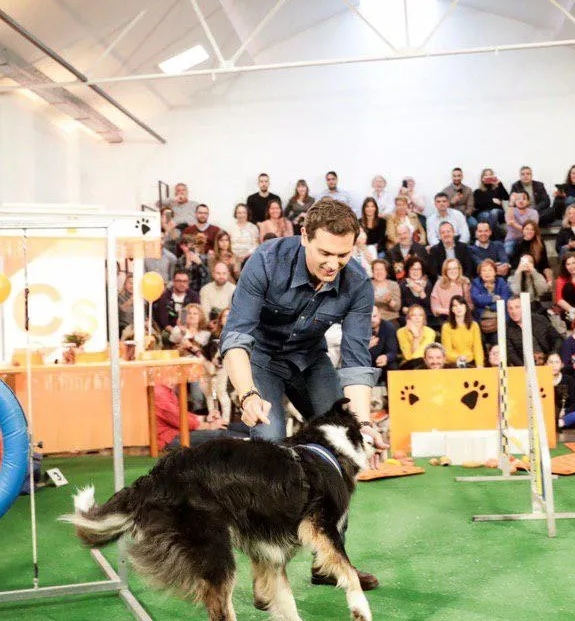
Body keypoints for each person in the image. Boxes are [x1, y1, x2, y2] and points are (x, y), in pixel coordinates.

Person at [219, 199, 385, 589]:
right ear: (304, 237)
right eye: (324, 252)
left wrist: (361, 423)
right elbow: (236, 336)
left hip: (310, 360)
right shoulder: (266, 260)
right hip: (259, 359)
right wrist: (247, 395)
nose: (333, 263)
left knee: (347, 447)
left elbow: (357, 361)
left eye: (343, 255)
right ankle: (268, 572)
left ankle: (329, 562)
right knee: (270, 445)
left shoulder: (358, 283)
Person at [152, 382, 244, 451]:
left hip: (177, 431)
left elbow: (181, 415)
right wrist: (209, 426)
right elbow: (180, 419)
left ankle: (254, 435)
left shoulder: (165, 389)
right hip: (169, 438)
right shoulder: (159, 391)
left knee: (228, 426)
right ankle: (253, 441)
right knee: (222, 434)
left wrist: (205, 418)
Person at [168, 303, 213, 411]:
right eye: (189, 313)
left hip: (198, 367)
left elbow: (204, 351)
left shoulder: (205, 334)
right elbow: (174, 338)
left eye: (195, 313)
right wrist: (182, 331)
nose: (192, 316)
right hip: (179, 366)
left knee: (196, 375)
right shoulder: (178, 330)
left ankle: (198, 411)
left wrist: (188, 344)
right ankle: (176, 411)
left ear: (201, 316)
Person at [505, 295, 561, 367]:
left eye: (517, 307)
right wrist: (524, 368)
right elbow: (511, 353)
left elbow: (557, 338)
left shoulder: (540, 319)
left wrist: (552, 355)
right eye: (510, 308)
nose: (514, 311)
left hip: (547, 361)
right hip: (524, 365)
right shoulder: (507, 328)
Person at [470, 259, 512, 336]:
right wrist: (494, 298)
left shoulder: (501, 282)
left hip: (500, 317)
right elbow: (476, 299)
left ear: (495, 272)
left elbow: (505, 300)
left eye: (490, 270)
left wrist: (489, 306)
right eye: (484, 271)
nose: (487, 273)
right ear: (480, 274)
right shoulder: (476, 283)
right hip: (482, 318)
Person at [441, 295, 484, 367]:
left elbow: (478, 348)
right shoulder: (446, 327)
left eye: (461, 305)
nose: (458, 308)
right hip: (452, 364)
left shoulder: (474, 325)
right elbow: (447, 351)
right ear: (452, 309)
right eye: (455, 306)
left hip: (470, 362)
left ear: (465, 307)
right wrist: (458, 358)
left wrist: (479, 365)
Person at [430, 259, 473, 325]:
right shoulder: (439, 283)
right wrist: (451, 311)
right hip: (445, 319)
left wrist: (460, 311)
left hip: (462, 318)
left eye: (455, 268)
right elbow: (435, 308)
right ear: (445, 271)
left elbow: (470, 304)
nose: (453, 271)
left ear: (459, 269)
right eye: (449, 269)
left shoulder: (465, 282)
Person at [397, 305, 436, 369]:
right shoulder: (401, 332)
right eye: (413, 315)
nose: (417, 318)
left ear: (424, 319)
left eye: (420, 315)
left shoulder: (430, 332)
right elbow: (408, 356)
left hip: (424, 364)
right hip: (407, 365)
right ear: (408, 318)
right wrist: (415, 337)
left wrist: (416, 336)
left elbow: (421, 355)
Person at [473, 168, 509, 232]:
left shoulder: (497, 189)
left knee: (494, 212)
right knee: (487, 215)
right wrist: (492, 201)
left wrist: (499, 183)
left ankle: (490, 235)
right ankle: (493, 234)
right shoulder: (478, 191)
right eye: (486, 175)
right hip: (483, 212)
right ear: (482, 178)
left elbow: (506, 197)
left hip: (498, 212)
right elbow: (477, 205)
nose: (488, 177)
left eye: (490, 175)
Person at [504, 191, 539, 258]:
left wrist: (514, 224)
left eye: (524, 199)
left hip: (529, 239)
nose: (521, 201)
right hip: (512, 239)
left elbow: (533, 229)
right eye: (518, 199)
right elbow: (509, 221)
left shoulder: (534, 212)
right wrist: (511, 203)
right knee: (507, 252)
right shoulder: (510, 210)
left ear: (528, 201)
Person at [369, 306, 399, 377]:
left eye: (374, 316)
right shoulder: (359, 329)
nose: (371, 320)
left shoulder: (388, 327)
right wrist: (366, 347)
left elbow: (393, 351)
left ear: (380, 315)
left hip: (383, 363)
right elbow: (354, 353)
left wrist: (386, 357)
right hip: (366, 362)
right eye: (368, 317)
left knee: (393, 366)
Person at [400, 256, 433, 320]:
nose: (415, 272)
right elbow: (402, 307)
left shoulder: (427, 284)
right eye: (412, 269)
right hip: (409, 317)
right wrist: (410, 311)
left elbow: (430, 307)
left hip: (425, 317)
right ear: (408, 270)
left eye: (418, 269)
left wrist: (421, 292)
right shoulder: (403, 285)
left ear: (422, 270)